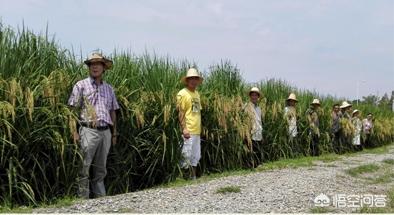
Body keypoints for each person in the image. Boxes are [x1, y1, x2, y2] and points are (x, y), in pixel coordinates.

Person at [68, 53, 120, 199]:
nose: (95, 67)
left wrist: (114, 133)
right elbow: (71, 110)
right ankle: (82, 201)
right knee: (84, 167)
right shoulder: (81, 85)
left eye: (98, 64)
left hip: (105, 133)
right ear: (89, 67)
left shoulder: (109, 89)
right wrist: (74, 131)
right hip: (88, 130)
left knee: (101, 170)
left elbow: (113, 112)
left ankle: (100, 201)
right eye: (92, 64)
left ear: (104, 68)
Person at [176, 68, 203, 180]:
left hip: (196, 130)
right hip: (188, 131)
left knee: (195, 156)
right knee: (185, 155)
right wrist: (184, 128)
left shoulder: (196, 94)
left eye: (195, 78)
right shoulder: (182, 94)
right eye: (191, 78)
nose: (193, 80)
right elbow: (181, 112)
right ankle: (182, 178)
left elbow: (197, 112)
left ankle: (193, 177)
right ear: (187, 80)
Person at [244, 87, 263, 167]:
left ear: (258, 97)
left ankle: (258, 164)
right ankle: (251, 165)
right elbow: (244, 119)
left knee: (258, 149)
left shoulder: (259, 108)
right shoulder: (247, 106)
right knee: (251, 149)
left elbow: (260, 121)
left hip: (258, 131)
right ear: (250, 96)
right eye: (253, 95)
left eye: (256, 95)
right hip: (250, 132)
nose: (254, 97)